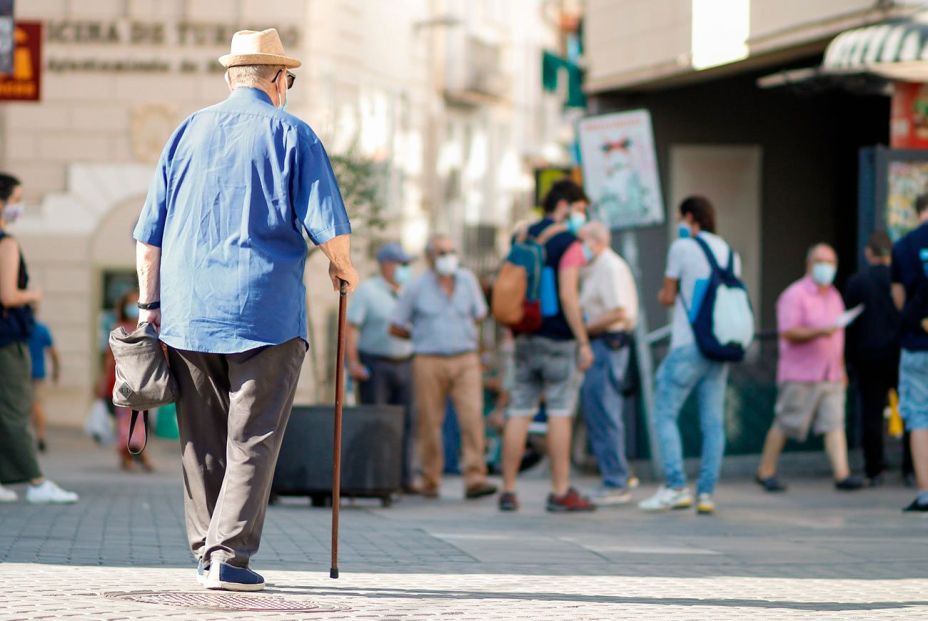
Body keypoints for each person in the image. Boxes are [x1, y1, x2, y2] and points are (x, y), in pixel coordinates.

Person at [133, 29, 357, 591]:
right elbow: (330, 226)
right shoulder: (292, 133)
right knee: (253, 437)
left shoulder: (186, 131)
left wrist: (149, 306)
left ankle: (207, 549)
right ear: (278, 79)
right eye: (289, 79)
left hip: (187, 313)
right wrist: (342, 267)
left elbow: (148, 237)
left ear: (232, 77)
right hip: (265, 312)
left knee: (199, 441)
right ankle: (228, 557)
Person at [498, 179, 595, 513]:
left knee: (519, 410)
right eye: (581, 209)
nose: (582, 216)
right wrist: (583, 341)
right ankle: (560, 490)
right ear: (565, 206)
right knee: (559, 411)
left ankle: (508, 490)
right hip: (558, 339)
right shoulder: (569, 242)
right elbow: (568, 295)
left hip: (524, 335)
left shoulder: (522, 235)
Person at [639, 196, 738, 515]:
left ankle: (676, 485)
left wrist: (663, 294)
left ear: (691, 218)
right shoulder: (730, 253)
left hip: (687, 344)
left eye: (682, 218)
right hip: (719, 345)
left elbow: (668, 296)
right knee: (713, 422)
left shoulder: (682, 248)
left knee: (664, 412)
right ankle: (706, 493)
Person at [390, 234, 496, 500]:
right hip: (428, 359)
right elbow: (396, 325)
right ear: (429, 257)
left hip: (465, 358)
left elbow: (480, 317)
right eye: (441, 252)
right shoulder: (415, 287)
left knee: (472, 418)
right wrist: (420, 338)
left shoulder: (468, 281)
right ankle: (430, 479)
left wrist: (480, 353)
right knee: (429, 422)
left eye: (450, 251)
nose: (447, 257)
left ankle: (475, 478)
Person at [756, 243, 863, 493]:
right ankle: (765, 470)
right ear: (809, 264)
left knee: (835, 425)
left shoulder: (834, 295)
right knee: (785, 422)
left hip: (831, 374)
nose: (826, 267)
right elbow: (788, 331)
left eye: (831, 262)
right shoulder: (794, 295)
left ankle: (842, 474)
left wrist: (840, 368)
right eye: (821, 261)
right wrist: (820, 331)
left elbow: (838, 336)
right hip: (801, 374)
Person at [0, 172, 78, 504]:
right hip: (7, 339)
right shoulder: (6, 242)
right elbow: (8, 295)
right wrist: (33, 293)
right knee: (16, 408)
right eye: (17, 201)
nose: (19, 208)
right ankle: (35, 481)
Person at [577, 221, 639, 506]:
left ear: (595, 240)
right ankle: (614, 476)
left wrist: (584, 330)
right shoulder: (595, 267)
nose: (578, 247)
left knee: (605, 411)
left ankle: (616, 480)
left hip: (608, 344)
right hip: (601, 344)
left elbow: (619, 311)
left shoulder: (610, 267)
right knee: (598, 411)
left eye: (581, 240)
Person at [347, 242, 417, 493]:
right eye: (401, 263)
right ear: (386, 264)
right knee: (375, 421)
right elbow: (352, 328)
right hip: (375, 364)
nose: (405, 268)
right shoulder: (368, 291)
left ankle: (403, 478)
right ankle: (375, 478)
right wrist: (353, 363)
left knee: (407, 422)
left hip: (405, 363)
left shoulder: (409, 291)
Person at [845, 231, 902, 486]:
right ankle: (912, 469)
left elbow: (850, 325)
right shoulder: (900, 279)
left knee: (871, 414)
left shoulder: (858, 282)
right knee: (912, 413)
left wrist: (848, 359)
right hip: (899, 353)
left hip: (868, 356)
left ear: (869, 253)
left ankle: (874, 469)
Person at [891, 194, 928, 512]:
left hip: (917, 344)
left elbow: (900, 300)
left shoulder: (903, 246)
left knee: (919, 416)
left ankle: (925, 491)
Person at [99, 290, 153, 472]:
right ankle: (133, 451)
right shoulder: (118, 328)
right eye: (130, 303)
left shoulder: (146, 326)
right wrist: (103, 381)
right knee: (125, 417)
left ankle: (133, 452)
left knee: (140, 416)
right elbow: (109, 356)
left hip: (142, 380)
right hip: (122, 381)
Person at [28, 318, 59, 453]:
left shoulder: (18, 330)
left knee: (26, 407)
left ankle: (32, 436)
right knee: (38, 405)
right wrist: (56, 371)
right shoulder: (41, 329)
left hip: (21, 373)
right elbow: (53, 352)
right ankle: (40, 436)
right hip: (38, 374)